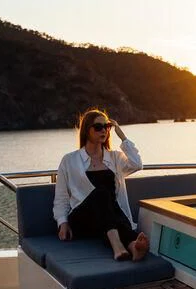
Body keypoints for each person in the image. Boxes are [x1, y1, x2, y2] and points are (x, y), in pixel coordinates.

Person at [53, 109, 150, 261]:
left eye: (107, 126)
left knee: (113, 210)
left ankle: (132, 247)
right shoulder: (70, 160)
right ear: (86, 130)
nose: (103, 130)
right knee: (102, 194)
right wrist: (62, 223)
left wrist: (122, 135)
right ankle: (117, 247)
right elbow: (61, 197)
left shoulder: (115, 157)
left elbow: (137, 164)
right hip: (83, 218)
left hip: (109, 217)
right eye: (98, 127)